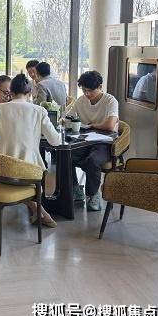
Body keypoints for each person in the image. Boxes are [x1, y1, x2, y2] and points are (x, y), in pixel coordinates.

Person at [0, 74, 61, 228]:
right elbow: (55, 141)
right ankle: (42, 213)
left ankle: (40, 213)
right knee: (29, 178)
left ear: (11, 92)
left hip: (3, 171)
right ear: (30, 93)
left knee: (15, 179)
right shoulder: (39, 111)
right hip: (30, 173)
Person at [68, 71, 119, 212]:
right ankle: (76, 189)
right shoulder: (81, 101)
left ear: (100, 87)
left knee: (92, 160)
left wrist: (91, 125)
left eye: (90, 90)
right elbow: (67, 117)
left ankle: (93, 194)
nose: (87, 94)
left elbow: (110, 125)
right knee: (65, 156)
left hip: (104, 143)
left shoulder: (110, 101)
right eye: (84, 90)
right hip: (84, 140)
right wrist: (65, 120)